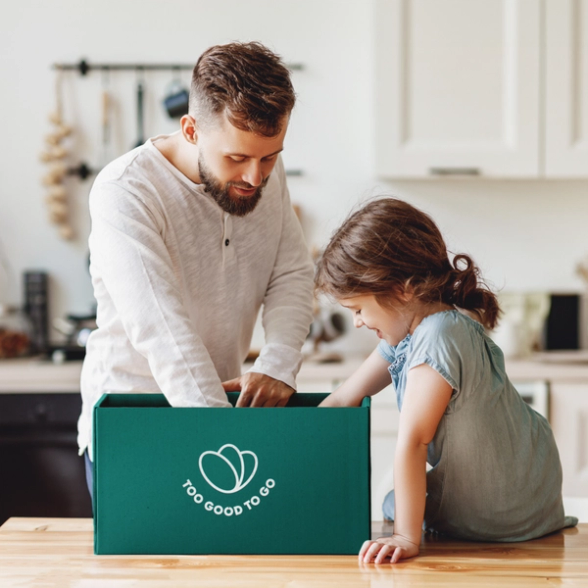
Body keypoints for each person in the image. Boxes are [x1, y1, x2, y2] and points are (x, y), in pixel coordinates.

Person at [77, 42, 314, 502]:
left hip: (222, 420)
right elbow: (160, 327)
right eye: (237, 159)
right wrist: (222, 437)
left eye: (269, 156)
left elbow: (290, 273)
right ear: (190, 130)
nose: (255, 177)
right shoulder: (125, 191)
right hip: (137, 426)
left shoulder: (265, 171)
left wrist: (279, 364)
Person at [315, 197, 577, 564]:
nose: (357, 322)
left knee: (393, 502)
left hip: (495, 512)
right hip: (534, 499)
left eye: (359, 309)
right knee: (398, 498)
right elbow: (344, 398)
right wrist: (289, 436)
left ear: (400, 290)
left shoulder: (437, 336)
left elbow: (414, 441)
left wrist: (406, 536)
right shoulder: (423, 325)